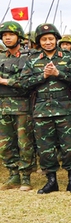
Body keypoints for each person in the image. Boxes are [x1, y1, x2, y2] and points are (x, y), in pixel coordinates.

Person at [21, 23, 71, 194]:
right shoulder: (32, 60)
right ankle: (51, 181)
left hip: (65, 108)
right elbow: (24, 84)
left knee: (69, 146)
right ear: (39, 42)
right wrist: (43, 76)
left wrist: (58, 74)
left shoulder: (69, 57)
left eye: (50, 38)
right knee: (45, 148)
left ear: (56, 39)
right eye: (43, 39)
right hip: (41, 109)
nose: (47, 42)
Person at [0, 21, 35, 191]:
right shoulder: (1, 57)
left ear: (19, 37)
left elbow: (28, 82)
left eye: (11, 35)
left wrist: (5, 81)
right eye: (4, 35)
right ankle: (13, 174)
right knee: (5, 143)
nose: (7, 38)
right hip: (2, 105)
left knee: (24, 142)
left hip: (22, 105)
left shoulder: (29, 57)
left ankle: (26, 176)